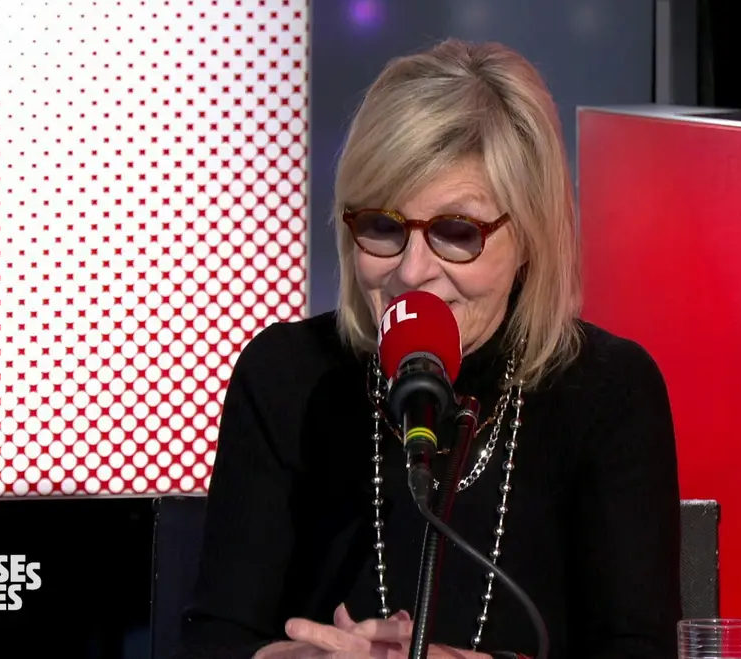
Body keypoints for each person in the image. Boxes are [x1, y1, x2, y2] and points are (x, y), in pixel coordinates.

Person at [176, 39, 682, 659]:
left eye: (456, 232)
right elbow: (214, 639)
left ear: (530, 237)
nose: (412, 271)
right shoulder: (286, 376)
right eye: (382, 226)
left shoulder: (608, 390)